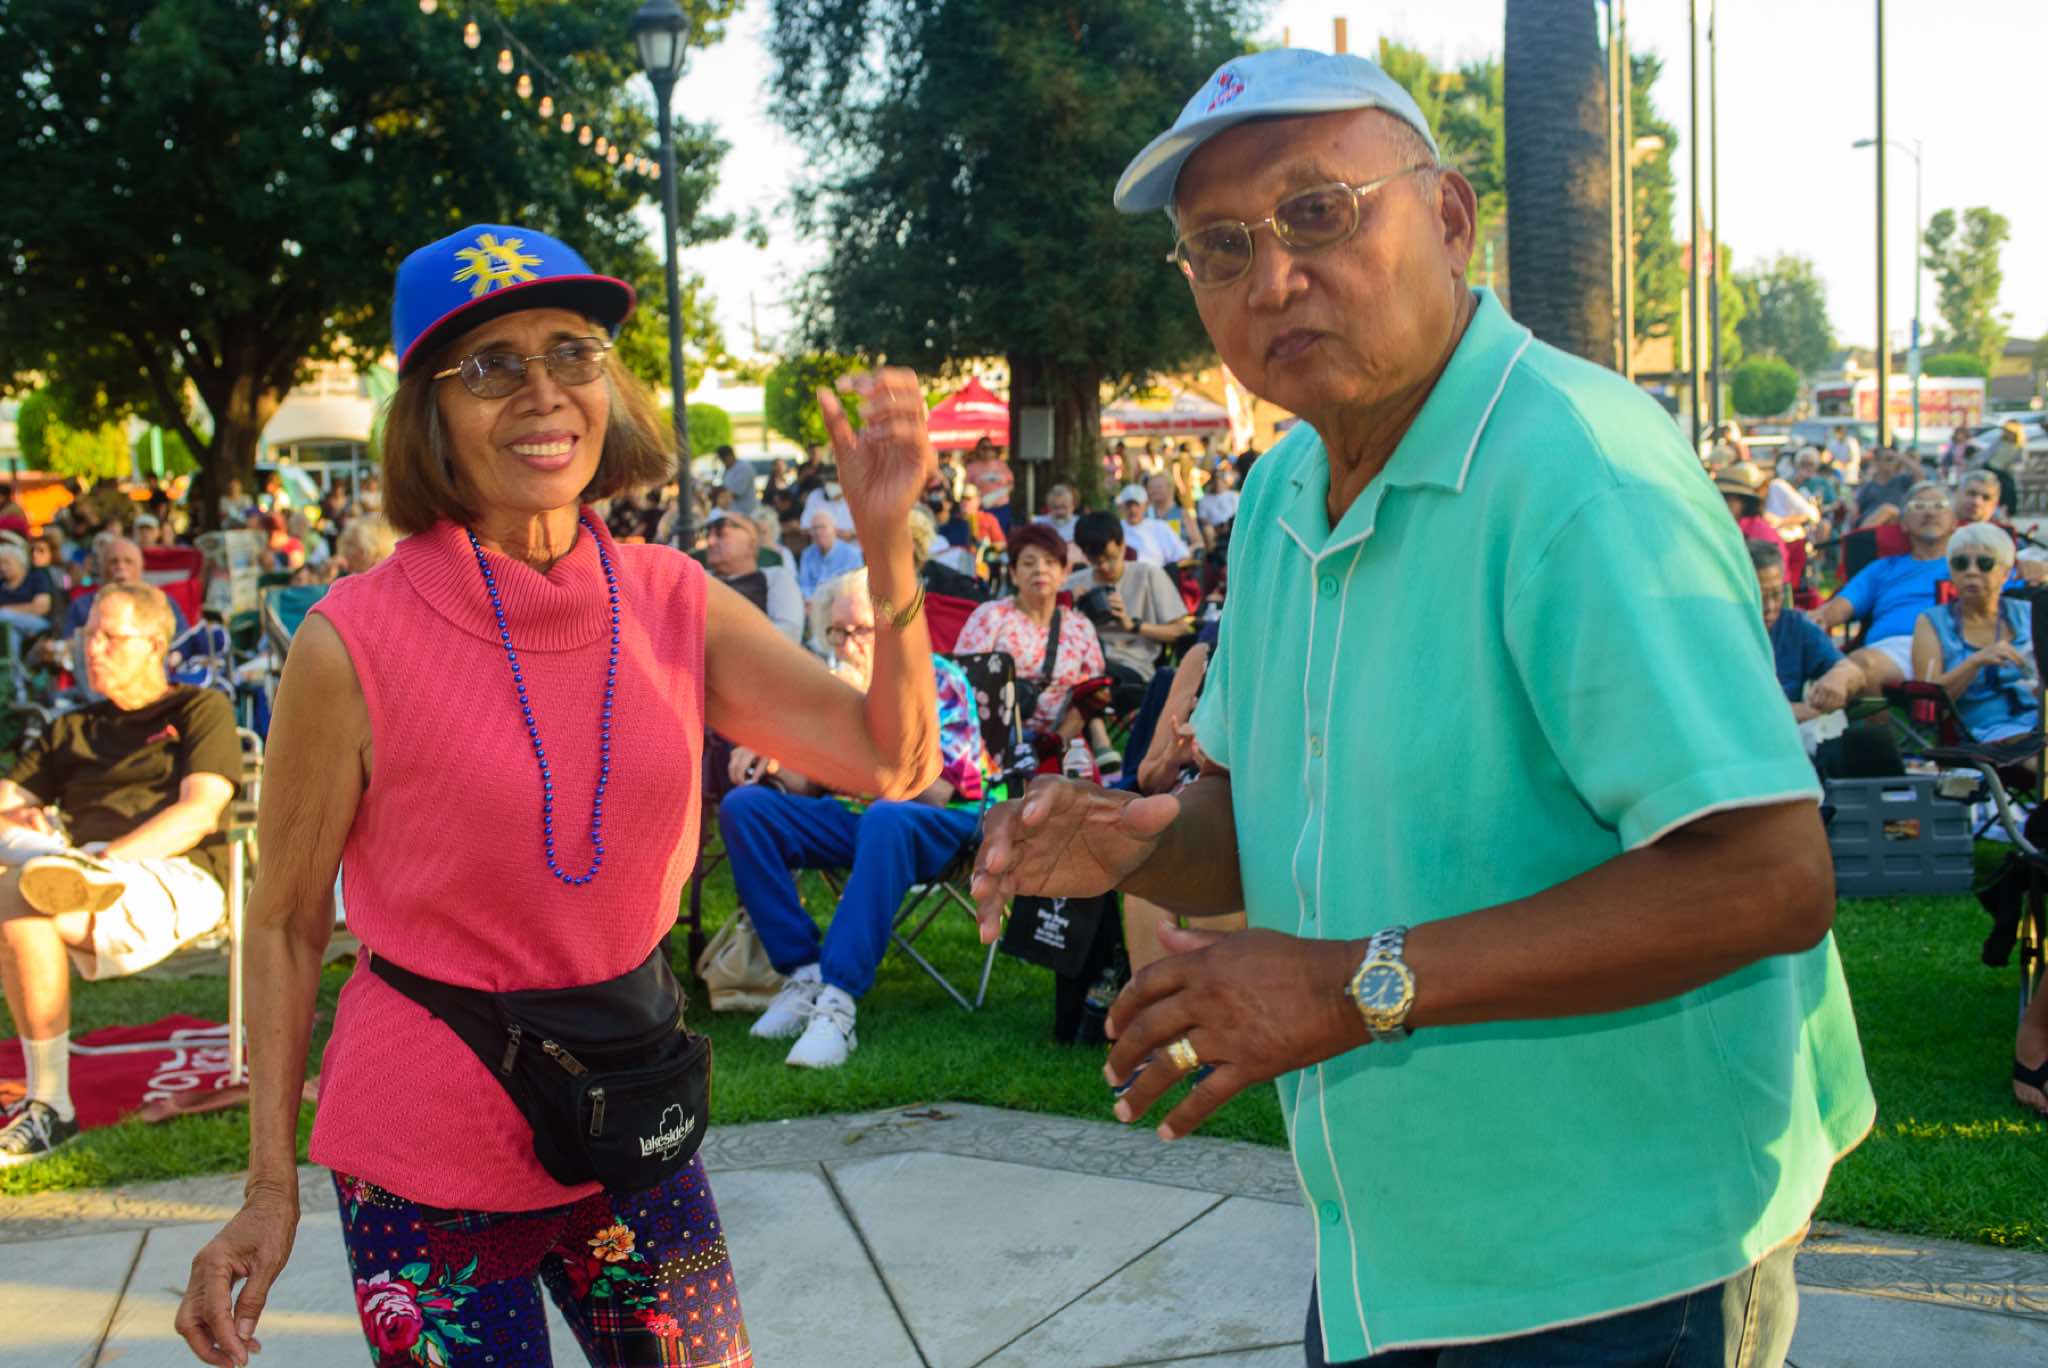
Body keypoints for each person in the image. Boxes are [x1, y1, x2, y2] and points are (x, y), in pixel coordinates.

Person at [973, 50, 1870, 1367]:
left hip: (1625, 1254)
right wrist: (1132, 841)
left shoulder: (1581, 474)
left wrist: (1349, 988)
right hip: (1396, 1250)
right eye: (1219, 247)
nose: (1272, 278)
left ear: (1449, 218)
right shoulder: (1281, 496)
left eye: (1316, 212)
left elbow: (1765, 879)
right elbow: (1265, 820)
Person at [172, 223, 942, 1368]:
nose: (543, 392)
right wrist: (267, 1188)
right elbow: (284, 924)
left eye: (571, 351)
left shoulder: (672, 598)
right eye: (491, 366)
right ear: (427, 414)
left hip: (627, 1115)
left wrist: (886, 547)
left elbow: (894, 762)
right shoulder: (351, 642)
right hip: (424, 1148)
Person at [0, 584, 238, 1167]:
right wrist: (17, 819)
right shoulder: (71, 728)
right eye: (87, 636)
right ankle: (49, 1107)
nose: (93, 649)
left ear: (154, 644)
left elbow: (199, 812)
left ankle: (52, 1107)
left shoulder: (198, 710)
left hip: (173, 874)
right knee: (18, 888)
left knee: (17, 893)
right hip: (68, 870)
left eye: (109, 637)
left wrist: (103, 864)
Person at [718, 568, 991, 1068]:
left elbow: (937, 791)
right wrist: (772, 751)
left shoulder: (936, 678)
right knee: (747, 808)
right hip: (857, 816)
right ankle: (803, 974)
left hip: (941, 822)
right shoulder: (830, 688)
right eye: (837, 632)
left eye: (861, 630)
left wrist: (862, 733)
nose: (849, 645)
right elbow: (805, 784)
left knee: (887, 817)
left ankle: (838, 1001)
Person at [953, 521, 1105, 742]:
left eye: (1050, 562)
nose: (1040, 570)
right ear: (1013, 573)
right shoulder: (991, 616)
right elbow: (962, 680)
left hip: (1062, 741)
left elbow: (1089, 696)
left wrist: (1056, 742)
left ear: (1064, 572)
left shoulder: (1080, 627)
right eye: (1028, 563)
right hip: (995, 740)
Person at [1811, 481, 1956, 693]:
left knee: (1855, 667)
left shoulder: (1972, 565)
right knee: (1860, 666)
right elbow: (1840, 607)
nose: (1930, 512)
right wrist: (1816, 619)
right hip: (1892, 651)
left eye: (1939, 505)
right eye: (1918, 506)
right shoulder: (1883, 569)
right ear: (1903, 523)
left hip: (1954, 646)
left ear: (1954, 521)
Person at [1910, 522, 2039, 744]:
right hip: (1985, 731)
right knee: (2034, 749)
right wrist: (1975, 662)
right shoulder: (1932, 621)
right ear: (1951, 572)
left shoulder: (2029, 614)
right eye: (1960, 563)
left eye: (1985, 563)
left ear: (2005, 573)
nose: (1971, 571)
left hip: (2038, 717)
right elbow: (1928, 699)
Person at [1068, 511, 1195, 711]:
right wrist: (1069, 608)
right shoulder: (1074, 584)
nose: (1105, 566)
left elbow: (1181, 630)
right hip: (1082, 662)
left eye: (1110, 557)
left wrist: (1132, 625)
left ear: (1123, 544)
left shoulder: (1148, 575)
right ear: (1085, 555)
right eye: (1096, 561)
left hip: (1131, 665)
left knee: (1090, 676)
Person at [1749, 540, 1860, 723]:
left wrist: (1839, 677)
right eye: (1760, 597)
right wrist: (1786, 712)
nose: (1770, 606)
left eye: (1776, 594)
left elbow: (1853, 671)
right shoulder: (1723, 633)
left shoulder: (1794, 626)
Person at [704, 506, 803, 643]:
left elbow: (789, 634)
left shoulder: (776, 578)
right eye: (707, 534)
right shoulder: (699, 581)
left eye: (721, 533)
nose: (710, 542)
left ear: (752, 544)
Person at [797, 506, 864, 601]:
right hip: (812, 605)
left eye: (823, 527)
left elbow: (855, 589)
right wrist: (811, 601)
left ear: (835, 529)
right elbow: (804, 586)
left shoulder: (852, 554)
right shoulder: (807, 554)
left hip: (841, 604)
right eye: (814, 528)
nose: (818, 532)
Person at [1115, 483, 1191, 565]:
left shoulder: (1160, 527)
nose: (1133, 510)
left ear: (1146, 506)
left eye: (1137, 505)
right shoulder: (1115, 529)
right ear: (1121, 507)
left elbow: (1183, 555)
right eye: (1128, 505)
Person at [0, 539, 56, 642]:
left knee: (4, 616)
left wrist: (6, 610)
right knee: (11, 631)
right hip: (9, 625)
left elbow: (42, 607)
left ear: (20, 562)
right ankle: (11, 654)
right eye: (0, 563)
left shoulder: (36, 577)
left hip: (38, 623)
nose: (2, 567)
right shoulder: (1, 583)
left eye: (7, 563)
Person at [1146, 471, 1206, 554]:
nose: (1154, 490)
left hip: (1178, 559)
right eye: (1151, 487)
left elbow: (1199, 543)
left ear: (1170, 488)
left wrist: (1187, 552)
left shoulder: (1182, 514)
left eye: (1159, 487)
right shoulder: (1144, 514)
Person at [1197, 458, 1241, 534]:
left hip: (1231, 527)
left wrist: (1228, 525)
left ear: (1224, 482)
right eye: (1215, 480)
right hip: (1214, 529)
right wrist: (1214, 527)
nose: (1217, 483)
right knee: (1207, 530)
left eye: (1220, 479)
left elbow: (1237, 515)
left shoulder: (1233, 496)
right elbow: (1202, 519)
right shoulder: (1203, 499)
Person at [717, 443, 758, 516]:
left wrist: (719, 494)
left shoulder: (744, 468)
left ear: (730, 456)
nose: (723, 463)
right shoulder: (728, 469)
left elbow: (737, 492)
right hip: (733, 511)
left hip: (745, 511)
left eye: (724, 460)